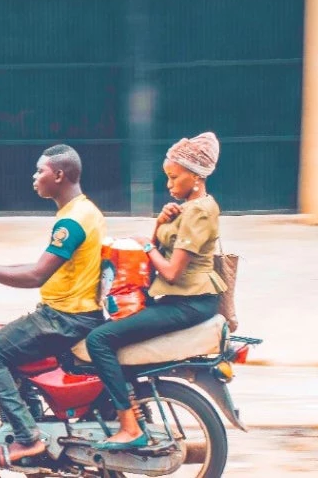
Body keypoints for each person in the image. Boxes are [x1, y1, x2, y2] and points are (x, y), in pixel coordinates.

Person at [0, 144, 106, 467]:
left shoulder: (72, 222)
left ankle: (28, 437)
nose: (35, 177)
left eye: (40, 171)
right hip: (73, 314)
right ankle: (31, 411)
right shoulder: (83, 211)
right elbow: (44, 264)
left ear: (59, 175)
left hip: (64, 318)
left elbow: (37, 275)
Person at [84, 132, 228, 450]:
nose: (169, 184)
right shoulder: (189, 207)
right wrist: (160, 223)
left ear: (195, 176)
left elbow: (172, 271)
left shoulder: (199, 211)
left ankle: (130, 427)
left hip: (190, 302)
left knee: (99, 340)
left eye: (174, 177)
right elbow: (164, 250)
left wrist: (146, 244)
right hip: (182, 299)